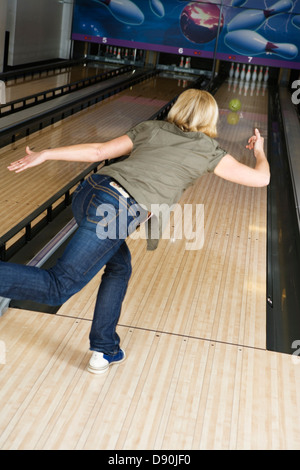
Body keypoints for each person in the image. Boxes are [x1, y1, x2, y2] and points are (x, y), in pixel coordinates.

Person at [1, 89, 269, 374]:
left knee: (119, 267)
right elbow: (261, 178)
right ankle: (103, 348)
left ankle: (104, 349)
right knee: (59, 287)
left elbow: (98, 152)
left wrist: (47, 153)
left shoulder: (151, 128)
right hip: (116, 211)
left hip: (90, 193)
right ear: (211, 118)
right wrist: (259, 150)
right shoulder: (208, 150)